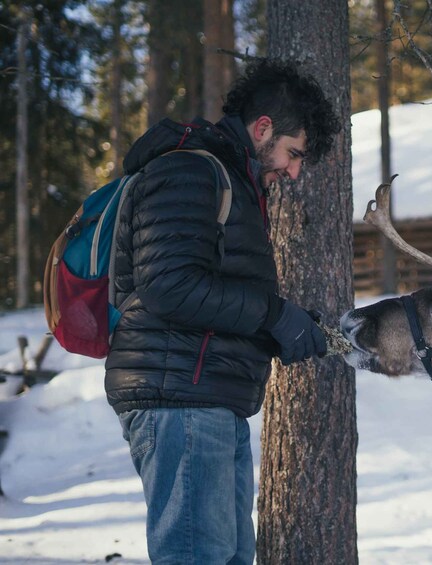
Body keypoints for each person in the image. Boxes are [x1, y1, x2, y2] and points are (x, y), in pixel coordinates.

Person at [105, 58, 341, 564]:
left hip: (206, 397)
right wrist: (272, 315)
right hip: (179, 400)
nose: (294, 171)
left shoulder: (226, 177)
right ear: (262, 129)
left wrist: (282, 326)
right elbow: (170, 286)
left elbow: (210, 290)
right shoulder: (188, 169)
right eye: (293, 152)